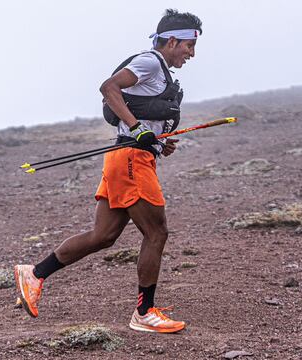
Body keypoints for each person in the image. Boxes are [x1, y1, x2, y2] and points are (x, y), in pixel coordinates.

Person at [14, 9, 202, 334]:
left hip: (127, 158)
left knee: (103, 236)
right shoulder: (149, 61)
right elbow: (109, 87)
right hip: (131, 160)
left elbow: (145, 114)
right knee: (156, 233)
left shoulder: (160, 72)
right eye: (188, 45)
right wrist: (136, 128)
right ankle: (145, 312)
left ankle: (35, 274)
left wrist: (159, 142)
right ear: (172, 40)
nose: (191, 53)